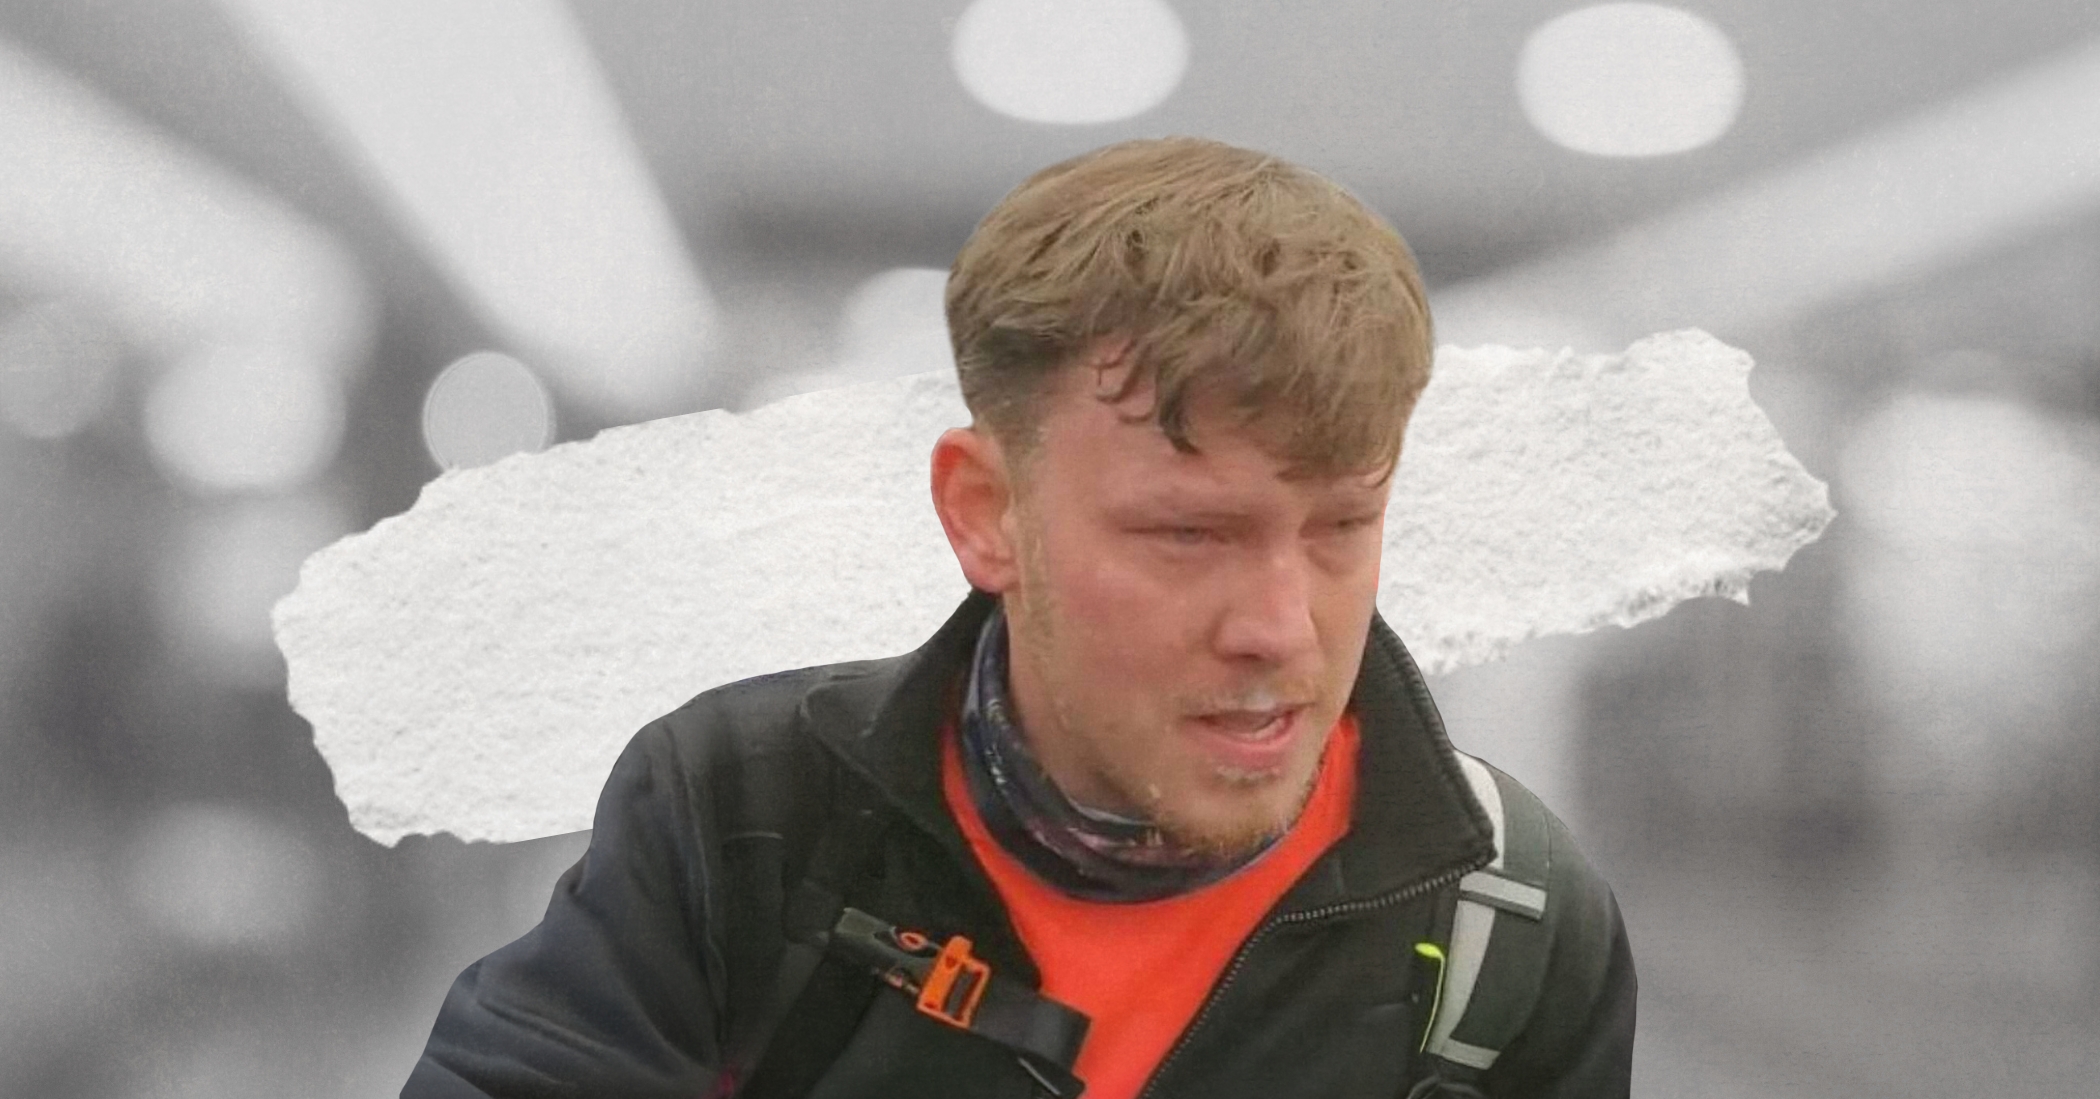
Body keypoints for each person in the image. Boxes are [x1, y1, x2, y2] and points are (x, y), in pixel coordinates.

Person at [403, 136, 1636, 1099]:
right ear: (985, 512)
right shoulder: (746, 819)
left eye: (1341, 529)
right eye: (1188, 535)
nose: (1282, 628)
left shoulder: (1506, 921)